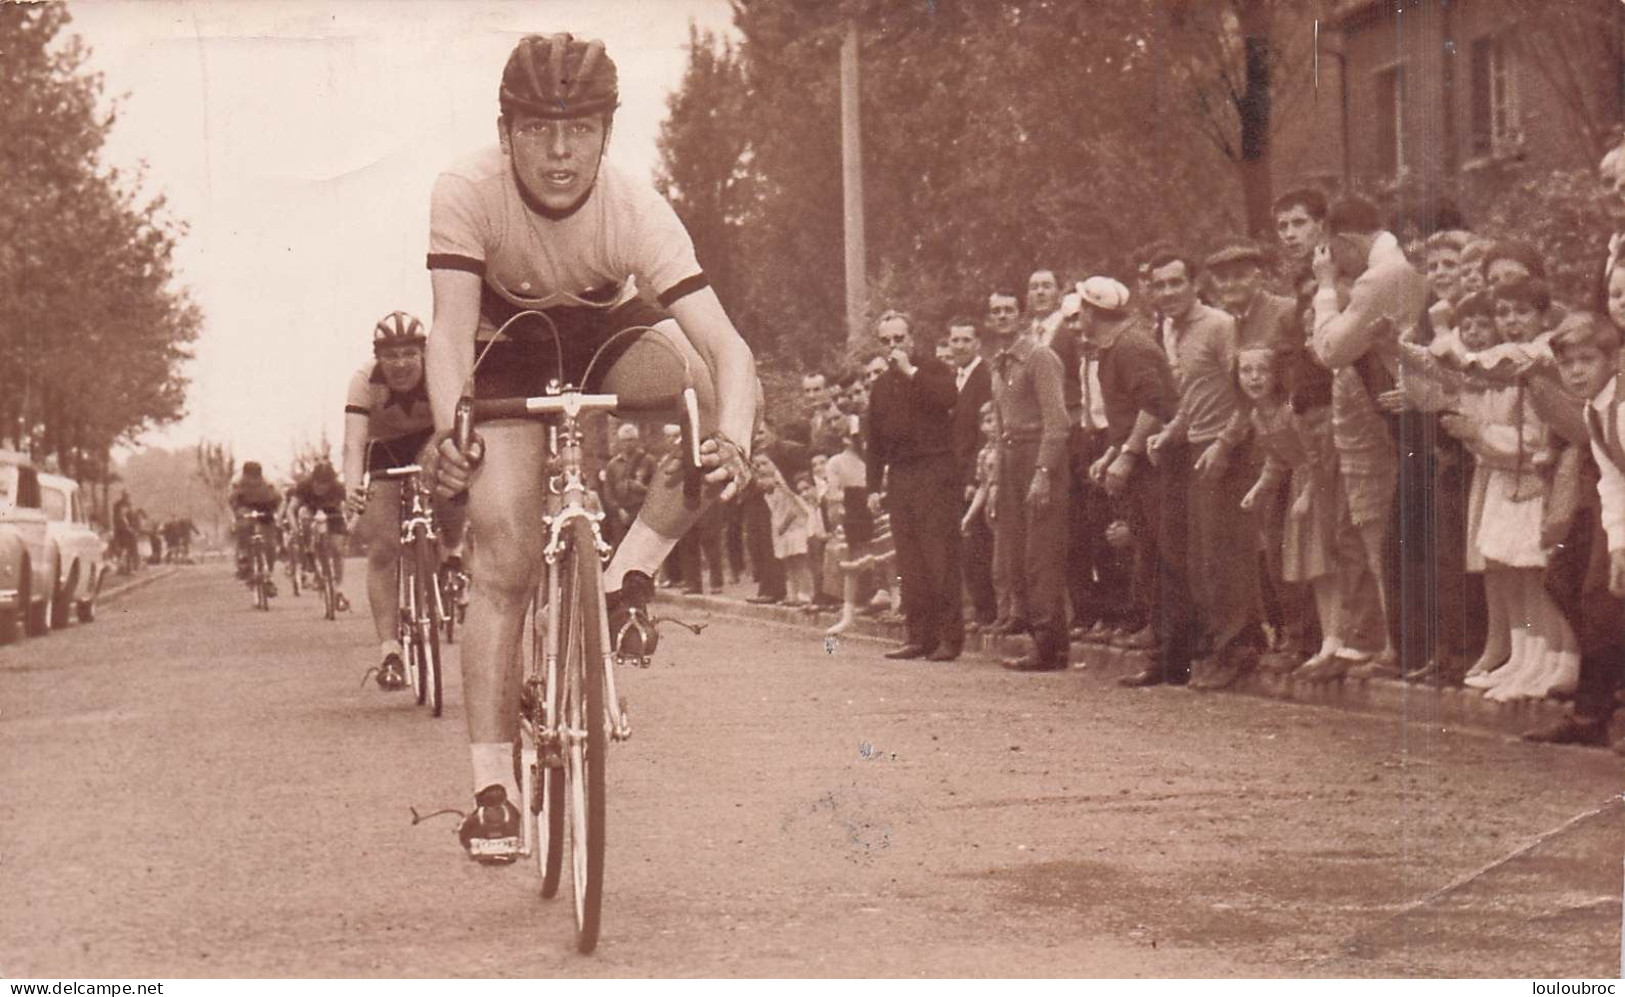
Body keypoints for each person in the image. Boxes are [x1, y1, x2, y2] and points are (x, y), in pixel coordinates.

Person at [422, 33, 757, 862]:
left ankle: (628, 571)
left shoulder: (636, 207)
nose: (560, 152)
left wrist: (735, 442)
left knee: (703, 395)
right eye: (537, 129)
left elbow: (731, 349)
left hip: (608, 331)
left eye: (580, 130)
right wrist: (449, 428)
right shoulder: (466, 190)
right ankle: (492, 788)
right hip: (510, 340)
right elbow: (450, 331)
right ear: (505, 134)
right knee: (501, 548)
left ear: (608, 132)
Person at [343, 311, 462, 691]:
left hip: (431, 440)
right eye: (390, 355)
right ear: (378, 357)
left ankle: (453, 550)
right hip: (384, 452)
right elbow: (353, 444)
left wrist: (437, 452)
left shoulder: (438, 371)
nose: (400, 364)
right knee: (383, 548)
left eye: (409, 354)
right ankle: (390, 651)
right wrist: (351, 487)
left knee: (453, 489)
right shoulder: (363, 382)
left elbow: (454, 426)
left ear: (422, 353)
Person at [865, 309, 965, 661]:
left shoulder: (932, 370)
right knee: (909, 562)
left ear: (912, 339)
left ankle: (950, 637)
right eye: (886, 340)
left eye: (899, 338)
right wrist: (873, 486)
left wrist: (910, 372)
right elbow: (873, 439)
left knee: (939, 556)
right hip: (901, 475)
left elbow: (948, 398)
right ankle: (919, 635)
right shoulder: (880, 385)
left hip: (934, 471)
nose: (893, 346)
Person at [988, 294, 1071, 672]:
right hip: (1009, 460)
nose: (1002, 316)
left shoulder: (1040, 358)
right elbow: (1000, 426)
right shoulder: (999, 363)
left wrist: (1043, 472)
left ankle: (1049, 645)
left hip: (1038, 456)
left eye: (1008, 310)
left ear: (1021, 316)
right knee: (1017, 551)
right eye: (995, 312)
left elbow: (1058, 422)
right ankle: (1040, 639)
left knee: (1041, 554)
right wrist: (995, 478)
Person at [946, 316, 995, 627]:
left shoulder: (984, 376)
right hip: (955, 472)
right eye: (955, 340)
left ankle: (989, 611)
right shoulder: (956, 376)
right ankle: (980, 608)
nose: (960, 346)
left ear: (977, 343)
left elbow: (984, 431)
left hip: (975, 475)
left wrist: (972, 479)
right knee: (967, 545)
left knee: (979, 544)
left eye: (966, 340)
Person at [287, 460, 353, 614]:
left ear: (331, 483)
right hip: (311, 512)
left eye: (324, 485)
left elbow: (354, 508)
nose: (319, 488)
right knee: (304, 520)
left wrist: (351, 525)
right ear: (313, 480)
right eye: (317, 484)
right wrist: (295, 529)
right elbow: (291, 510)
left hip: (333, 513)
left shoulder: (339, 488)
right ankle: (311, 562)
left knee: (337, 547)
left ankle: (339, 584)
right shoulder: (304, 486)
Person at [228, 462, 282, 595]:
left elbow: (280, 500)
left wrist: (278, 516)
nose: (252, 481)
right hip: (245, 506)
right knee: (243, 524)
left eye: (255, 478)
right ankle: (243, 554)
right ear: (244, 476)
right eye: (249, 478)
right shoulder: (237, 483)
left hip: (266, 507)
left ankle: (268, 573)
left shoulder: (269, 483)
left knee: (270, 544)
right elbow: (230, 503)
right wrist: (233, 519)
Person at [602, 422, 655, 548]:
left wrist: (642, 489)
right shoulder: (613, 465)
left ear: (636, 440)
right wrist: (618, 509)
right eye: (624, 441)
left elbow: (657, 490)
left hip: (642, 512)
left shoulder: (648, 461)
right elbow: (608, 492)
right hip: (621, 514)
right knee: (622, 551)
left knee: (643, 551)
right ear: (619, 442)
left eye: (631, 440)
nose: (628, 444)